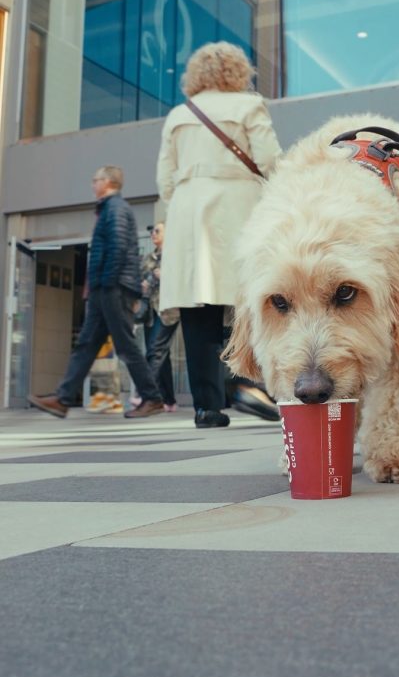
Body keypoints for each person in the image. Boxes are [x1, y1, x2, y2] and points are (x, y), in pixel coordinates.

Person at [157, 41, 282, 428]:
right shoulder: (248, 105)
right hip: (238, 204)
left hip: (188, 213)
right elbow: (271, 160)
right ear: (238, 71)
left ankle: (207, 407)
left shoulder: (178, 114)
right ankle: (248, 386)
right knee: (247, 298)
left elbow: (164, 180)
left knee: (199, 310)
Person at [29, 166, 164, 419]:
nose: (92, 184)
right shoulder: (109, 209)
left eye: (96, 180)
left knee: (125, 346)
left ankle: (153, 397)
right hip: (105, 289)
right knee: (87, 344)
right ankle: (63, 398)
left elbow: (118, 249)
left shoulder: (116, 209)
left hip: (113, 289)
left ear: (109, 182)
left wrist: (106, 284)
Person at [135, 222, 180, 412]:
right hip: (150, 314)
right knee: (161, 355)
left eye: (157, 230)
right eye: (152, 230)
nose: (153, 233)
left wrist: (166, 276)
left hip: (168, 311)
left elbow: (182, 280)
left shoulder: (175, 257)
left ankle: (146, 395)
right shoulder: (148, 258)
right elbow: (139, 282)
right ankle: (169, 401)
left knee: (154, 352)